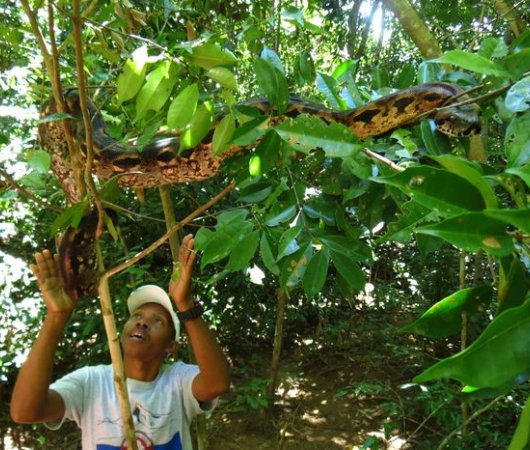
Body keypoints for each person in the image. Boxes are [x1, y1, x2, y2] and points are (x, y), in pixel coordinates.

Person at [10, 234, 231, 449]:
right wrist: (56, 317)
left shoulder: (177, 381)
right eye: (137, 316)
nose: (142, 323)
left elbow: (216, 384)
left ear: (171, 346)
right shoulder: (91, 382)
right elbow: (25, 412)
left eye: (157, 321)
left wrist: (185, 304)